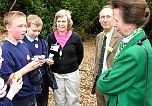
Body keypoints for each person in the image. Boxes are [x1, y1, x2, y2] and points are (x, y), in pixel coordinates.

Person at [97, 0, 152, 106]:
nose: (114, 25)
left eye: (116, 20)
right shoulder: (142, 41)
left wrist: (106, 74)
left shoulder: (133, 53)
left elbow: (105, 85)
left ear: (130, 23)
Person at [0, 11, 45, 106]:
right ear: (8, 27)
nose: (24, 29)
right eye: (20, 26)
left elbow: (26, 62)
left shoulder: (24, 44)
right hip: (19, 99)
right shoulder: (5, 50)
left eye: (25, 26)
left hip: (31, 94)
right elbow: (7, 80)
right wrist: (29, 67)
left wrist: (36, 61)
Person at [46, 9, 84, 106]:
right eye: (59, 21)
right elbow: (47, 53)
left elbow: (80, 55)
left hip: (72, 74)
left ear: (68, 23)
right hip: (56, 74)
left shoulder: (75, 37)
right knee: (59, 100)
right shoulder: (50, 37)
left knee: (73, 100)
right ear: (56, 22)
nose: (61, 24)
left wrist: (71, 65)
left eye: (64, 21)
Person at [91, 5, 121, 106]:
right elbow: (97, 59)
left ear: (114, 18)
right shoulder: (99, 37)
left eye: (108, 16)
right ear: (99, 20)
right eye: (102, 17)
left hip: (113, 83)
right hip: (100, 81)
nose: (105, 20)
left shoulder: (121, 37)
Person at [23, 14, 53, 106]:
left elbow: (46, 56)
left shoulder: (42, 42)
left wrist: (47, 60)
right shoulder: (22, 42)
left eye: (39, 31)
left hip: (43, 79)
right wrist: (32, 60)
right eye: (34, 30)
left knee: (43, 102)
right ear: (26, 27)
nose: (37, 33)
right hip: (29, 80)